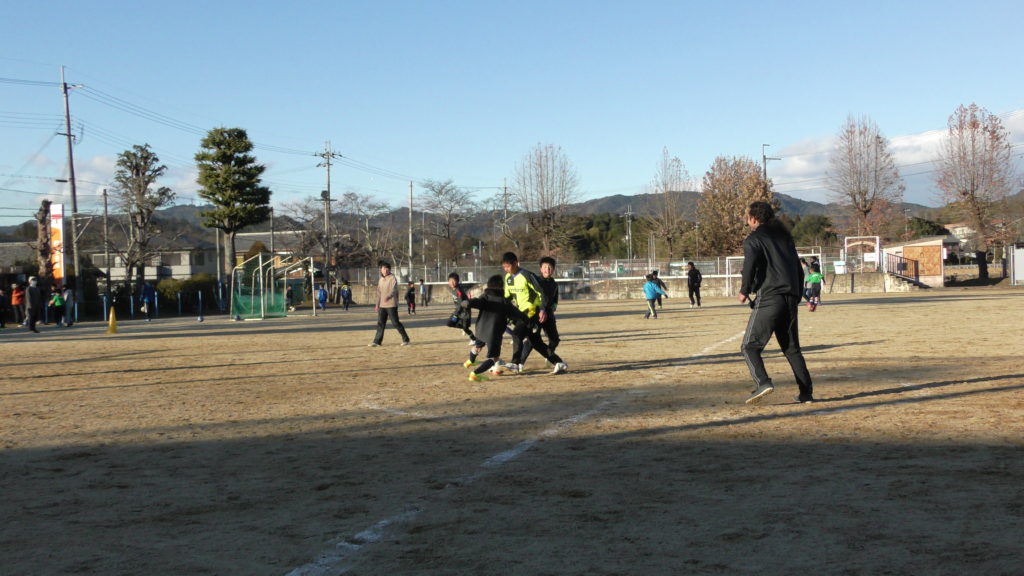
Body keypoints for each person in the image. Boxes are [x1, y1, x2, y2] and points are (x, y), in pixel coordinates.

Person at [737, 201, 814, 405]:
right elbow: (798, 270)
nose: (747, 221)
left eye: (748, 217)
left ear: (753, 218)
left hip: (770, 297)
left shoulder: (754, 239)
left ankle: (763, 382)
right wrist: (797, 294)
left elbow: (749, 266)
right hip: (790, 297)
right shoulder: (784, 238)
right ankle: (806, 393)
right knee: (792, 349)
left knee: (749, 346)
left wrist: (744, 290)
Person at [500, 251, 567, 374]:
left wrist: (542, 309)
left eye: (507, 266)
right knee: (535, 342)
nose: (506, 269)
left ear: (515, 263)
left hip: (532, 310)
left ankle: (515, 363)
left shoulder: (527, 275)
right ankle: (559, 362)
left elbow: (541, 293)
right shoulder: (508, 278)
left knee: (517, 334)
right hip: (521, 312)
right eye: (504, 267)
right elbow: (507, 297)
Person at [461, 275, 525, 382]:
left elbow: (475, 302)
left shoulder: (485, 297)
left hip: (480, 330)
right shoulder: (504, 301)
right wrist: (528, 320)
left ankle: (470, 361)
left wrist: (467, 302)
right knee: (494, 358)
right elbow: (517, 313)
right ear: (501, 287)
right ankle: (474, 374)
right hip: (494, 334)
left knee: (477, 347)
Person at [522, 256, 561, 366]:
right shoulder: (536, 281)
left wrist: (553, 307)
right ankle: (519, 362)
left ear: (553, 269)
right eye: (545, 267)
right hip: (536, 314)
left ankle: (549, 357)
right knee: (532, 340)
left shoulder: (554, 284)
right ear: (540, 269)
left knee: (555, 340)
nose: (547, 269)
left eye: (550, 267)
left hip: (548, 315)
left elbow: (555, 300)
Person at [369, 261, 410, 347]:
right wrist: (377, 304)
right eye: (384, 268)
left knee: (395, 323)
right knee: (380, 323)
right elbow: (378, 293)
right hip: (382, 306)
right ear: (381, 269)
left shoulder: (392, 278)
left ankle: (405, 339)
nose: (385, 270)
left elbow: (394, 289)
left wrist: (389, 296)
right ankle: (377, 341)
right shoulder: (381, 280)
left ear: (390, 270)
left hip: (391, 305)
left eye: (387, 268)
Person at [445, 272, 475, 343]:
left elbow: (462, 304)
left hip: (464, 312)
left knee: (465, 328)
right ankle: (462, 327)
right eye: (450, 281)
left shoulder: (458, 291)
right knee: (449, 323)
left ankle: (474, 339)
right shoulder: (454, 290)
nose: (452, 283)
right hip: (459, 311)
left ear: (457, 281)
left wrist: (456, 314)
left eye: (454, 281)